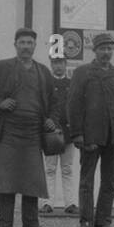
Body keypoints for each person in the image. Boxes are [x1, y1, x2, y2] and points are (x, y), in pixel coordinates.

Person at [0, 28, 63, 227]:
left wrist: (52, 119)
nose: (26, 46)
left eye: (29, 43)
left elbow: (55, 102)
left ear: (34, 46)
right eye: (22, 42)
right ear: (15, 45)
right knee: (7, 181)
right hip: (9, 132)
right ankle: (4, 226)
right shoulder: (2, 67)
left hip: (33, 133)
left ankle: (32, 226)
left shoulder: (43, 72)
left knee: (32, 181)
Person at [67, 33, 114, 227]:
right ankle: (85, 222)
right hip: (91, 137)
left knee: (110, 180)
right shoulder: (82, 72)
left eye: (109, 49)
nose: (106, 52)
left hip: (113, 137)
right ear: (94, 51)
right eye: (102, 49)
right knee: (87, 180)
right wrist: (77, 134)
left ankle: (103, 222)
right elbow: (73, 104)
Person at [42, 57, 77, 215]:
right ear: (51, 65)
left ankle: (69, 203)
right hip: (51, 131)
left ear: (65, 64)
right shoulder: (46, 85)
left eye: (61, 62)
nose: (58, 66)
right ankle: (47, 203)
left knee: (67, 168)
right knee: (49, 168)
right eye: (55, 63)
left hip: (68, 132)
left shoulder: (71, 84)